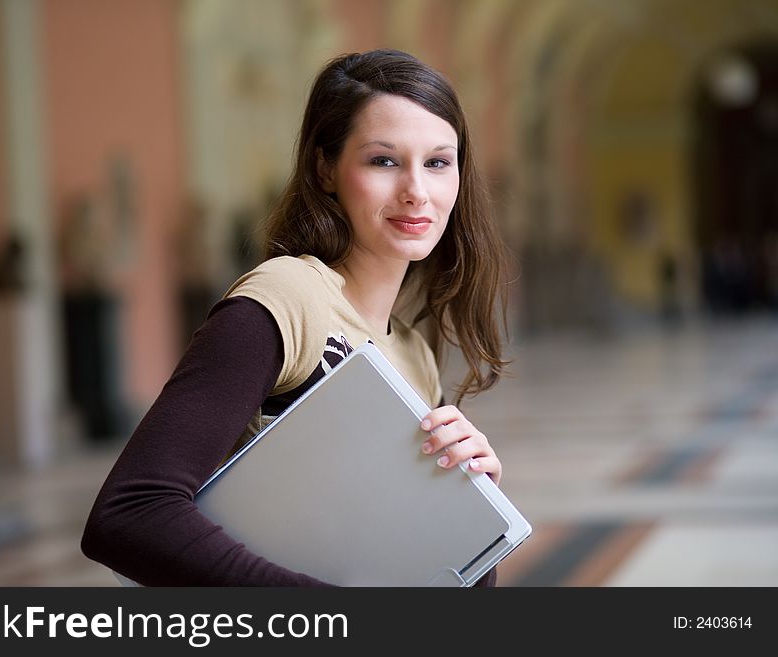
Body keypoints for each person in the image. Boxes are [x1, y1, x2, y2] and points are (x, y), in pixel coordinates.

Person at [81, 48, 511, 586]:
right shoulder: (286, 297)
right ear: (325, 169)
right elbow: (130, 514)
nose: (417, 192)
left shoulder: (414, 353)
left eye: (437, 162)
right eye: (383, 160)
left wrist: (472, 509)